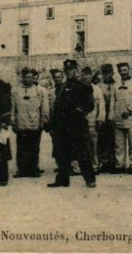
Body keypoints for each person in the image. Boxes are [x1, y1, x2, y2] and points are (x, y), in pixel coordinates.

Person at [47, 59, 97, 188]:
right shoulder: (61, 88)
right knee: (62, 153)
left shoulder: (83, 86)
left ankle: (90, 179)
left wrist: (79, 111)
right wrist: (53, 124)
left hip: (77, 125)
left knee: (83, 153)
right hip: (63, 126)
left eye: (71, 70)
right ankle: (63, 179)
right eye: (67, 70)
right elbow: (57, 108)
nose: (69, 72)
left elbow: (90, 105)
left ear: (76, 70)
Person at [11, 68, 49, 178]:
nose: (28, 79)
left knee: (34, 148)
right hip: (21, 124)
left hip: (35, 124)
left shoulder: (40, 91)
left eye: (30, 77)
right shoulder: (15, 91)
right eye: (25, 77)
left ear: (33, 78)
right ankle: (21, 170)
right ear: (21, 78)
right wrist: (13, 122)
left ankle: (33, 169)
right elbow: (13, 108)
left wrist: (43, 122)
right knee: (21, 147)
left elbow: (45, 108)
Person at [111, 62, 132, 174]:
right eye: (121, 70)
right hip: (118, 119)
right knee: (119, 144)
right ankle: (120, 164)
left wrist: (130, 111)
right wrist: (112, 117)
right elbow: (112, 102)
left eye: (125, 70)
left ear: (128, 70)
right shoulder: (115, 85)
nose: (123, 72)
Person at [82, 67, 106, 173]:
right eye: (83, 75)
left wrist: (100, 118)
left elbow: (101, 105)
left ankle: (95, 165)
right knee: (82, 145)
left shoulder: (97, 89)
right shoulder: (78, 88)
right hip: (81, 121)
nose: (85, 77)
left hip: (92, 121)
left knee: (94, 145)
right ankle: (82, 167)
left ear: (91, 76)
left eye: (88, 75)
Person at [98, 63, 118, 174]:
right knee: (103, 141)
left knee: (114, 140)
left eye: (109, 73)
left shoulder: (117, 85)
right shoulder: (99, 86)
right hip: (103, 117)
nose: (107, 75)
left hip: (114, 117)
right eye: (105, 73)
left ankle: (113, 162)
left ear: (112, 73)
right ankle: (104, 162)